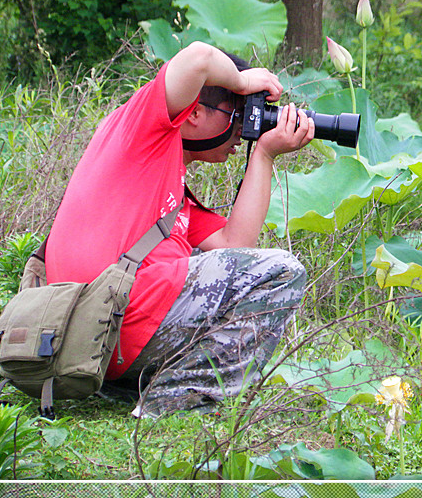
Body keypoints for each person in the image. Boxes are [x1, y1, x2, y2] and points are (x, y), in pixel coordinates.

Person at [44, 41, 315, 417]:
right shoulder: (140, 127)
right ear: (194, 113)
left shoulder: (168, 179)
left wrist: (265, 154)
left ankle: (141, 387)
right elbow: (199, 57)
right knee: (285, 271)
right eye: (236, 115)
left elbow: (235, 244)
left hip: (98, 339)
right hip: (106, 321)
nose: (241, 131)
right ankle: (174, 400)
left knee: (238, 265)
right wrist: (241, 80)